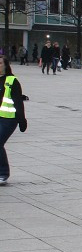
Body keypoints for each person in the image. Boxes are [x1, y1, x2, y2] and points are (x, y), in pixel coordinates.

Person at [0, 55, 27, 185]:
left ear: (5, 65)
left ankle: (3, 174)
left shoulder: (12, 81)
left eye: (0, 63)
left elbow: (18, 102)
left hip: (9, 119)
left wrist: (22, 120)